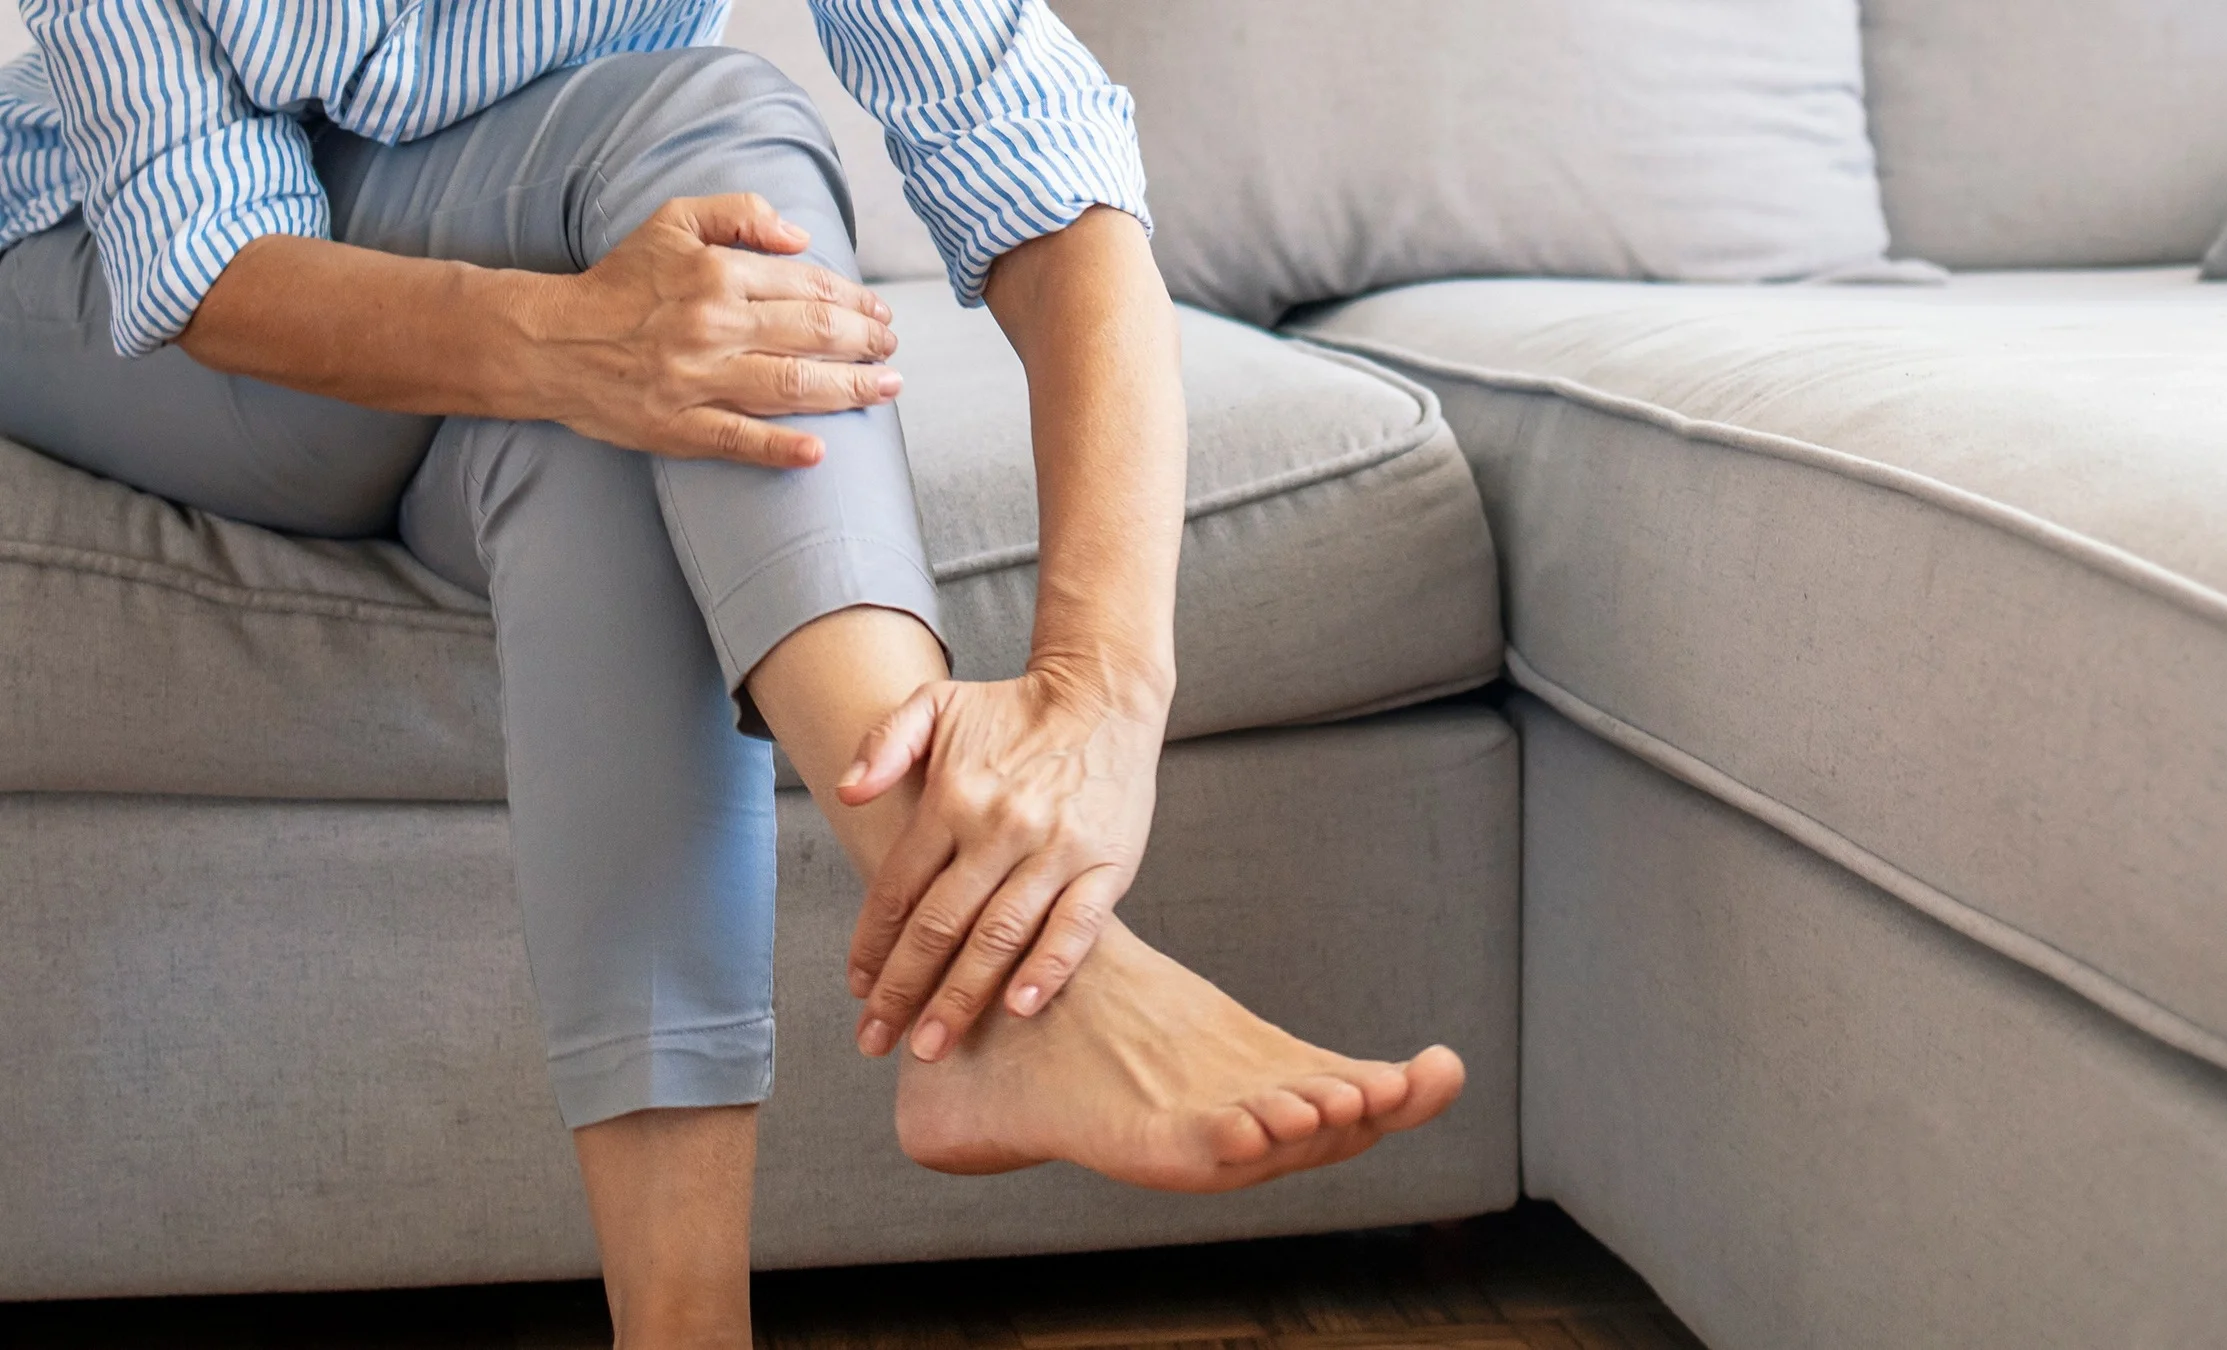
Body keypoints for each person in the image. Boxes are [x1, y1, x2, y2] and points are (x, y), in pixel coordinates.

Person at [0, 1, 1466, 1344]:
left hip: (517, 232)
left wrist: (1103, 691)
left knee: (636, 420)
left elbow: (1048, 166)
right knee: (714, 132)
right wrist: (573, 329)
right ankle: (1032, 988)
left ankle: (686, 1328)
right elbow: (201, 256)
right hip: (127, 294)